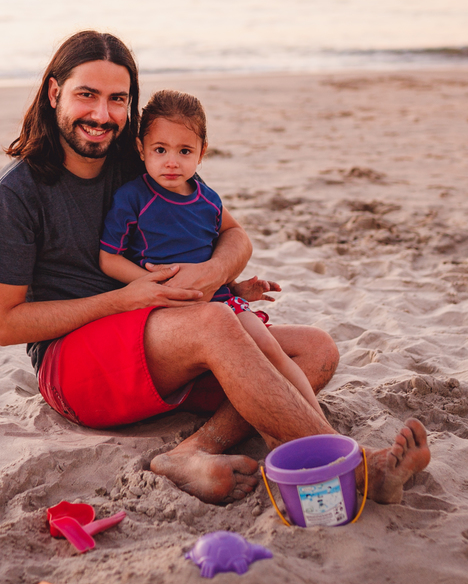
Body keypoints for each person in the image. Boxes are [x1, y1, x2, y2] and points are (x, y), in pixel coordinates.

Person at [0, 30, 430, 505]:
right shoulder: (15, 193)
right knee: (217, 323)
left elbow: (233, 234)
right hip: (74, 367)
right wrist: (125, 298)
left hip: (160, 332)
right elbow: (6, 324)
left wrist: (213, 274)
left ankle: (189, 453)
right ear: (55, 94)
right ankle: (359, 468)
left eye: (117, 99)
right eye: (86, 95)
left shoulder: (142, 159)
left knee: (315, 350)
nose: (102, 114)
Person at [97, 89, 322, 414]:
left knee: (269, 351)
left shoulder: (208, 201)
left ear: (202, 153)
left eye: (184, 151)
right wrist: (155, 285)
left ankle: (316, 418)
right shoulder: (132, 198)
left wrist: (232, 286)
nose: (172, 161)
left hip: (219, 301)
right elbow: (109, 259)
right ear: (141, 149)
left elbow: (217, 249)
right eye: (160, 149)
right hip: (162, 311)